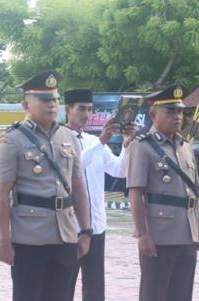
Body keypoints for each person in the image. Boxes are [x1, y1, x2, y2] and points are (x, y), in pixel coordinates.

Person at [0, 71, 91, 301]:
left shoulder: (68, 136)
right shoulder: (11, 139)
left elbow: (78, 187)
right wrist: (4, 241)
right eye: (44, 100)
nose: (52, 105)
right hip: (30, 237)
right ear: (26, 104)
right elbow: (0, 194)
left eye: (55, 99)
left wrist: (85, 231)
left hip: (65, 235)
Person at [127, 85, 199, 301]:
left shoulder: (185, 147)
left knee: (182, 295)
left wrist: (198, 230)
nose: (177, 117)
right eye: (170, 112)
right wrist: (142, 234)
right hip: (159, 236)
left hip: (186, 234)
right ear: (153, 115)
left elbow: (193, 193)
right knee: (155, 295)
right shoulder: (142, 146)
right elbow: (135, 193)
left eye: (180, 111)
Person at [64, 89, 135, 301]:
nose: (87, 114)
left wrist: (126, 143)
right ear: (68, 110)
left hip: (96, 225)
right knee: (65, 283)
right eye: (81, 108)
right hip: (69, 226)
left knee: (95, 284)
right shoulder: (60, 139)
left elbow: (119, 170)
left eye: (90, 109)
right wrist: (101, 142)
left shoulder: (92, 140)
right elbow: (74, 166)